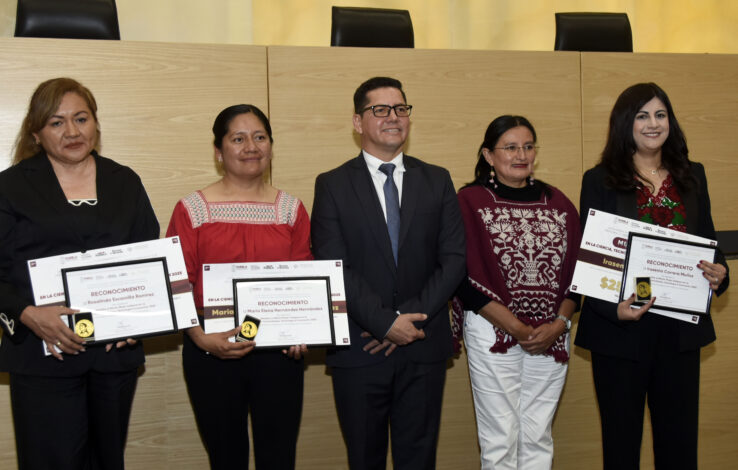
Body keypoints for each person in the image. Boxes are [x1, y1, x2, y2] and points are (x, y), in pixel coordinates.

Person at [0, 77, 160, 470]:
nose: (72, 132)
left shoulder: (125, 181)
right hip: (42, 358)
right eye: (57, 123)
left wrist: (138, 318)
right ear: (36, 133)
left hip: (112, 358)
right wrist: (29, 314)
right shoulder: (12, 186)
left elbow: (149, 262)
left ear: (95, 124)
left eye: (81, 118)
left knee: (107, 461)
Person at [311, 76, 466, 470]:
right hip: (360, 348)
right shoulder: (332, 184)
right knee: (365, 458)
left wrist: (406, 321)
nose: (392, 117)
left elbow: (453, 260)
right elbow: (333, 265)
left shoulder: (437, 179)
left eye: (400, 109)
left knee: (419, 459)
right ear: (358, 122)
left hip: (423, 342)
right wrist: (383, 322)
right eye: (379, 110)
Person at [576, 82, 729, 469]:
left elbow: (709, 243)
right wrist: (614, 311)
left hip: (679, 332)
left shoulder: (692, 175)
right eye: (642, 115)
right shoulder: (600, 179)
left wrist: (720, 274)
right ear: (625, 123)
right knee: (622, 447)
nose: (652, 123)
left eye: (660, 114)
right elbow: (591, 260)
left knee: (679, 448)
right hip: (623, 331)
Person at [166, 104, 311, 470]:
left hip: (279, 353)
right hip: (211, 349)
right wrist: (199, 338)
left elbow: (303, 279)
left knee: (278, 457)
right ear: (219, 151)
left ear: (271, 147)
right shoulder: (192, 209)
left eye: (260, 137)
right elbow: (177, 282)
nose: (251, 146)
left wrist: (302, 328)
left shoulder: (291, 209)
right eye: (239, 138)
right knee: (225, 457)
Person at [453, 115, 581, 469]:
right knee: (500, 439)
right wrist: (518, 329)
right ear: (488, 155)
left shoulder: (559, 204)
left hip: (552, 334)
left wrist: (559, 324)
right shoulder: (470, 201)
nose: (520, 154)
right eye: (510, 147)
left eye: (528, 146)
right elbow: (462, 276)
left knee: (538, 435)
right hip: (492, 331)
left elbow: (579, 274)